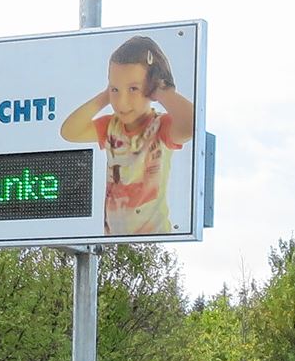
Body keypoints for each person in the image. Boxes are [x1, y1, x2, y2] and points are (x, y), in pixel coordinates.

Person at [60, 34, 195, 236]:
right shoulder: (110, 126)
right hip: (114, 237)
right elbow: (69, 131)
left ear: (151, 88)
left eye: (133, 88)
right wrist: (105, 96)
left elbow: (192, 125)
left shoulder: (161, 126)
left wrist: (163, 91)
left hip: (152, 236)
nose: (122, 102)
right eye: (115, 89)